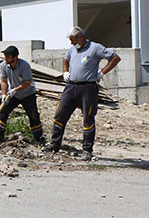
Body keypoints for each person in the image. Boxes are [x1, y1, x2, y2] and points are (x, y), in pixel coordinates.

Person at [42, 26, 121, 161]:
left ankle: (87, 150)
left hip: (88, 88)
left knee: (88, 118)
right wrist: (66, 71)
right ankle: (55, 144)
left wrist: (102, 73)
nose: (71, 43)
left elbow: (115, 58)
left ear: (80, 38)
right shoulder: (73, 49)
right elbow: (65, 58)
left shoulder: (95, 48)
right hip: (71, 87)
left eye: (73, 40)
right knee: (60, 114)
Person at [0, 46, 45, 145]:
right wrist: (3, 94)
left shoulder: (24, 66)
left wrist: (15, 89)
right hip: (13, 94)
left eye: (8, 57)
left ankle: (39, 138)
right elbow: (3, 81)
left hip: (27, 94)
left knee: (33, 115)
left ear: (15, 57)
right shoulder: (3, 65)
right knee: (3, 111)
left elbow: (28, 82)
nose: (5, 58)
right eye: (5, 56)